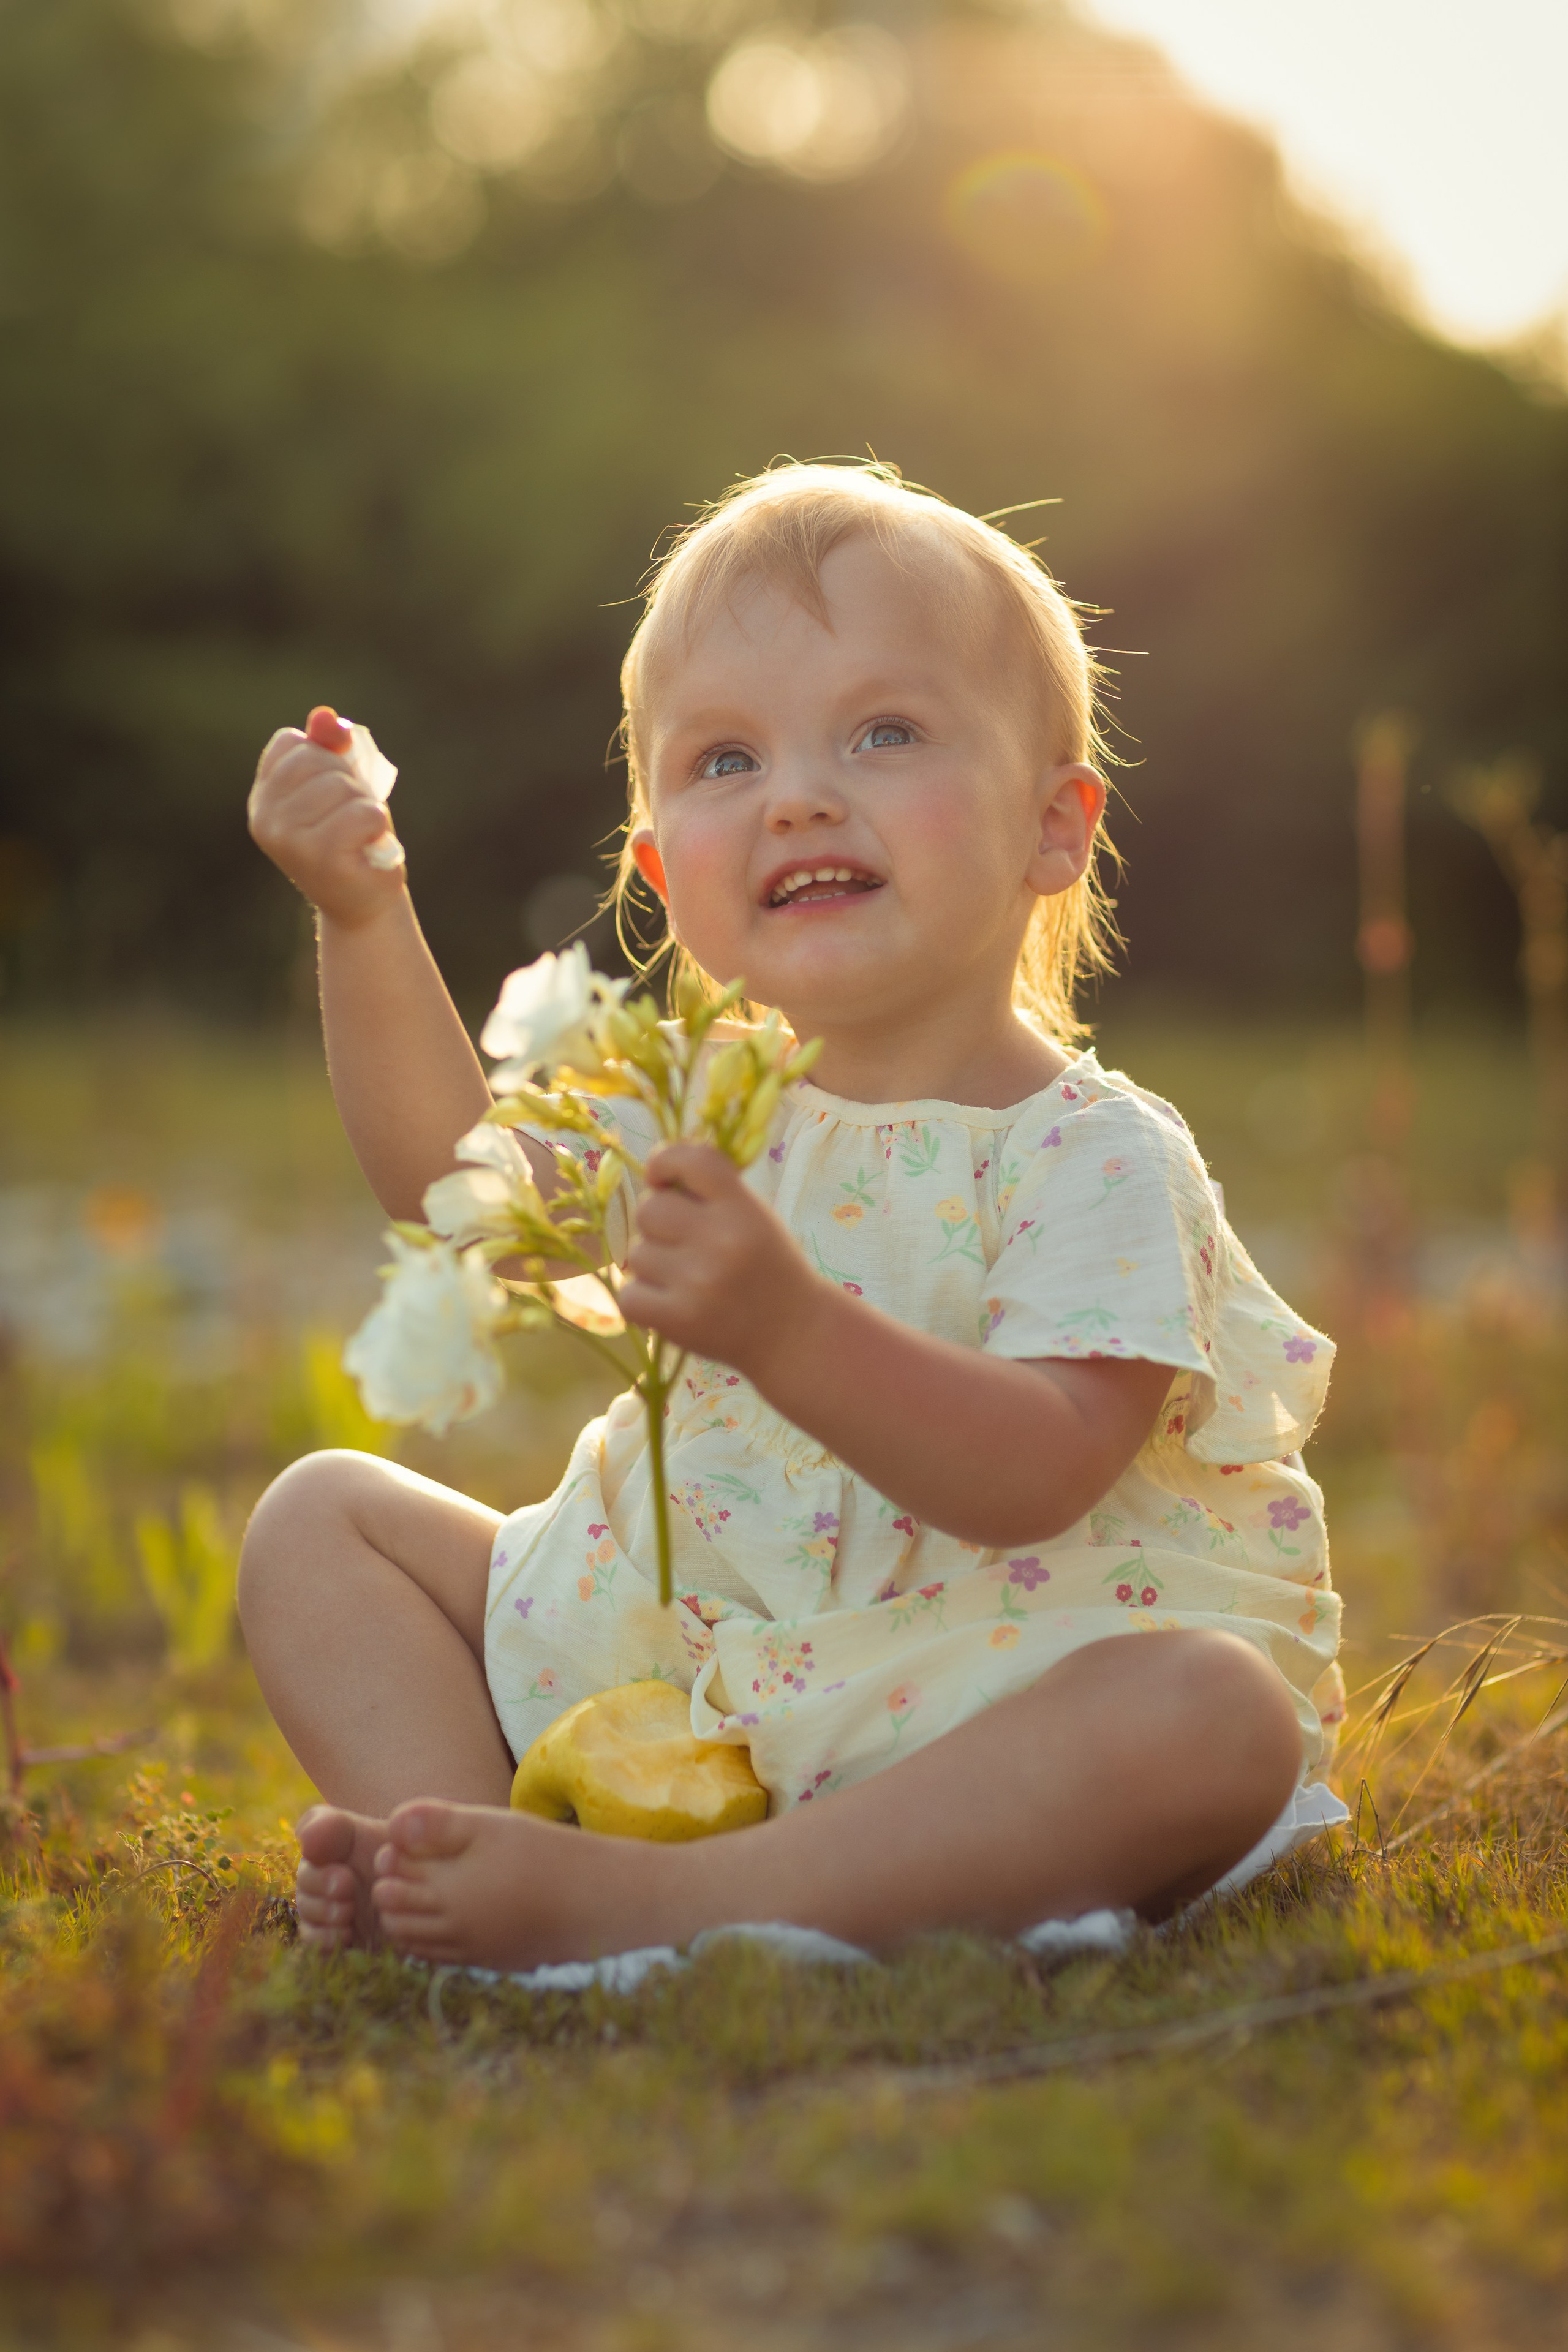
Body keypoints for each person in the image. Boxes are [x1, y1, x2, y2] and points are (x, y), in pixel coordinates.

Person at [239, 461, 1344, 1970]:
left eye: (885, 733)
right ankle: (469, 1851)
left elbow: (1034, 1473)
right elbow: (460, 1188)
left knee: (1213, 1718)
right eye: (721, 761)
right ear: (658, 874)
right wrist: (364, 913)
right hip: (686, 1679)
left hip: (969, 1713)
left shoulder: (1092, 1156)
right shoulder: (694, 1108)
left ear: (1052, 829)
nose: (799, 794)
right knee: (321, 1520)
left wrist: (786, 1327)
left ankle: (646, 1911)